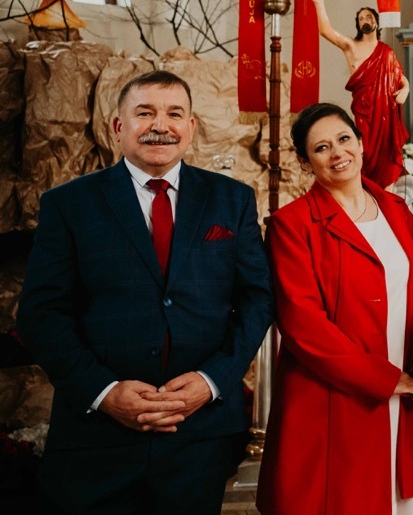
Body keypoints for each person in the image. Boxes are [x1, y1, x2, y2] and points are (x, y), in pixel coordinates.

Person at [17, 69, 274, 515]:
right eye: (145, 113)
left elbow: (257, 299)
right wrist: (103, 391)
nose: (160, 125)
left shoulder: (232, 199)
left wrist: (211, 381)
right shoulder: (68, 204)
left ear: (191, 126)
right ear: (118, 126)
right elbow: (41, 313)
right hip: (96, 436)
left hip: (200, 436)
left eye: (174, 113)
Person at [257, 102, 413, 514]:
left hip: (404, 392)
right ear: (305, 163)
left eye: (344, 139)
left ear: (360, 143)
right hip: (330, 399)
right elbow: (303, 324)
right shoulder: (291, 225)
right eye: (321, 148)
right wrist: (385, 379)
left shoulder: (398, 212)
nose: (337, 153)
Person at [309, 0, 411, 190]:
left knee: (386, 156)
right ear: (358, 24)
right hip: (365, 111)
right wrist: (319, 4)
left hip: (386, 113)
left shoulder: (386, 52)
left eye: (369, 17)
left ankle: (387, 199)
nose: (365, 20)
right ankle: (365, 195)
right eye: (361, 18)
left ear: (376, 22)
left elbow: (400, 78)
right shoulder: (351, 46)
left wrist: (405, 89)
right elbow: (326, 31)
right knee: (365, 153)